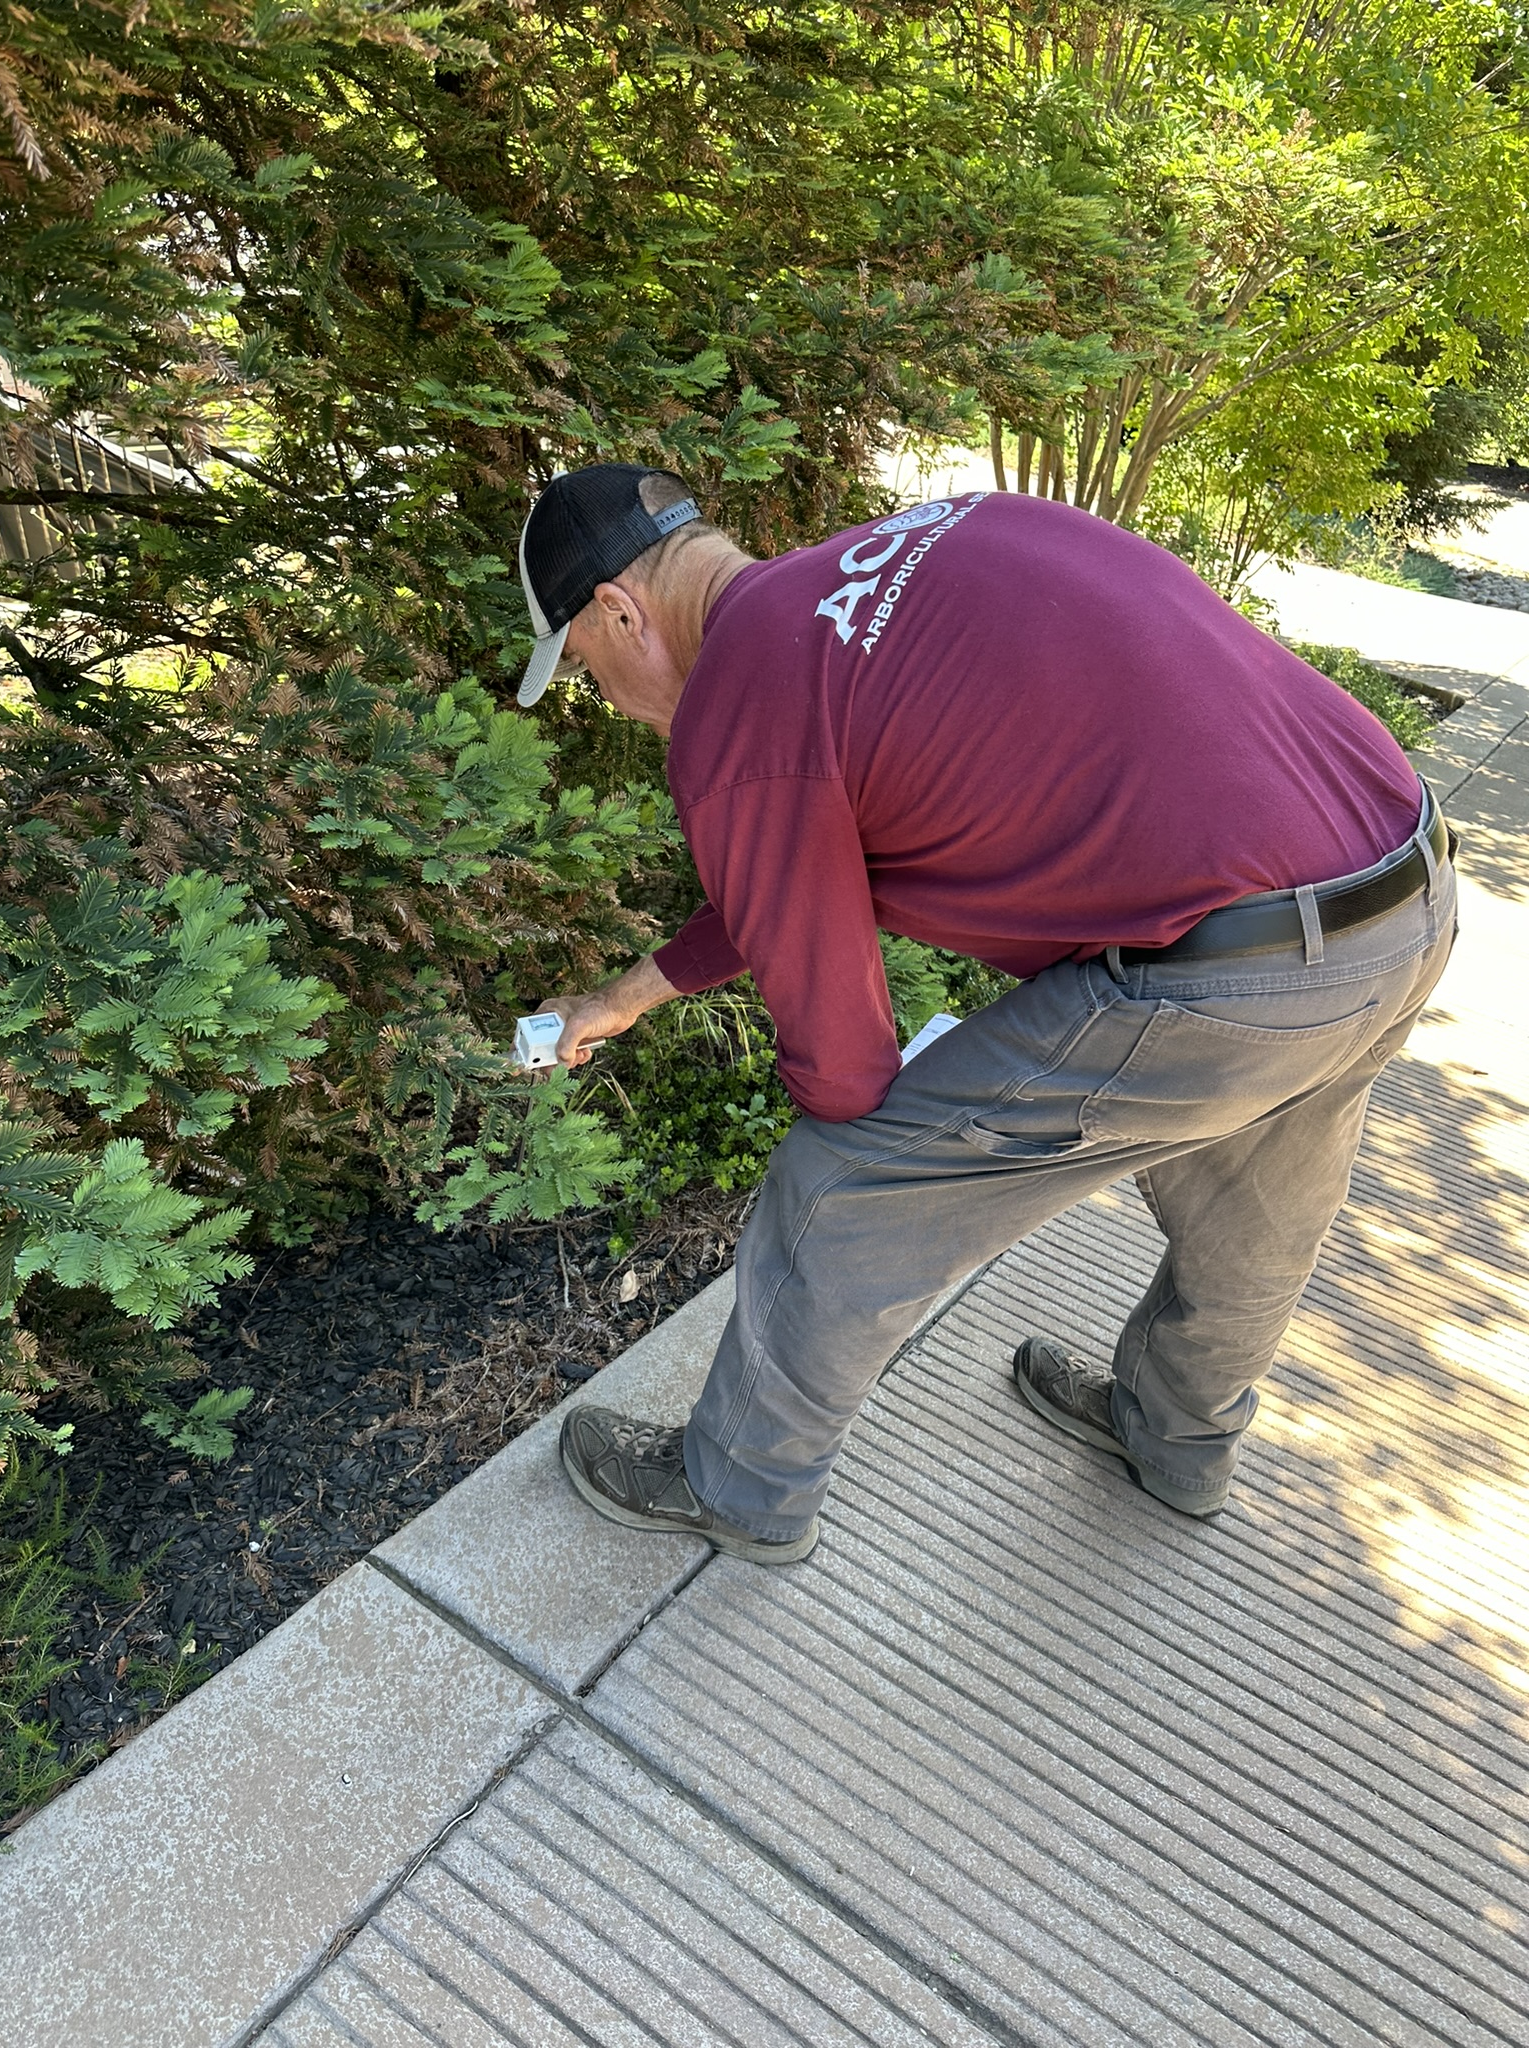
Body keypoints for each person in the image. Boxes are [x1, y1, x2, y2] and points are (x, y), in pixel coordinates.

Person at [515, 462, 1456, 1564]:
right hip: (1404, 899)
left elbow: (846, 1067)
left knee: (842, 1185)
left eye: (584, 669)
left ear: (621, 612)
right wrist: (629, 995)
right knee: (1258, 1188)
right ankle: (1178, 1441)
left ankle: (736, 1483)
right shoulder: (916, 548)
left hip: (1227, 969)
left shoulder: (743, 700)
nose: (610, 702)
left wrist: (875, 1113)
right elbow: (794, 852)